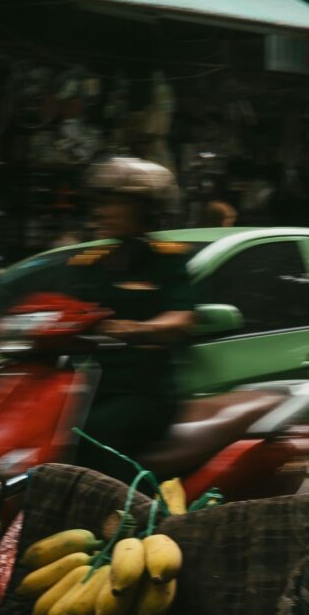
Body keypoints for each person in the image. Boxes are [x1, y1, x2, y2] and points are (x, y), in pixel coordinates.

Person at [59, 157, 199, 480]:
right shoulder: (87, 264)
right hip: (93, 389)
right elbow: (60, 311)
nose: (102, 212)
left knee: (94, 436)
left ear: (145, 209)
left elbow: (181, 319)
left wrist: (136, 329)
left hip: (147, 394)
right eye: (101, 203)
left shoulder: (167, 261)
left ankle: (136, 515)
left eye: (115, 203)